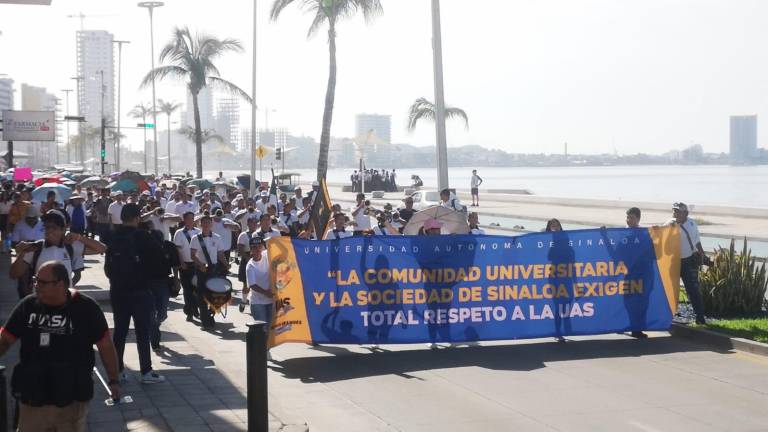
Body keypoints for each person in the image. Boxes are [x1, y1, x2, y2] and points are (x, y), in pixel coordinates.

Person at [0, 261, 120, 432]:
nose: (36, 286)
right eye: (35, 280)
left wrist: (113, 380)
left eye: (42, 282)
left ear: (61, 284)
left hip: (70, 400)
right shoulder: (28, 306)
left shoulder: (86, 308)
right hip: (34, 400)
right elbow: (5, 340)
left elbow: (105, 346)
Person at [106, 203, 166, 383]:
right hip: (140, 290)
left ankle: (118, 371)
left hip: (118, 290)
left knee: (120, 332)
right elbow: (159, 257)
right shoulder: (142, 235)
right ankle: (146, 372)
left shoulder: (113, 235)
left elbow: (108, 267)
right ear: (137, 218)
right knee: (142, 332)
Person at [10, 209, 105, 297]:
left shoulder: (71, 246)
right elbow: (14, 274)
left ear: (63, 229)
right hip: (41, 301)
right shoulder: (36, 248)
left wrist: (79, 237)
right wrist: (21, 254)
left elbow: (102, 248)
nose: (49, 230)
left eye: (54, 227)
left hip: (66, 302)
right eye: (47, 227)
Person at [665, 202, 707, 325]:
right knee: (672, 290)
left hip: (688, 261)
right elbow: (659, 237)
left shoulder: (692, 224)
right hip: (673, 262)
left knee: (693, 290)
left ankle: (700, 317)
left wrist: (702, 254)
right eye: (674, 211)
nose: (675, 213)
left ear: (686, 213)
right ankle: (670, 315)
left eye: (678, 211)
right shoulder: (668, 224)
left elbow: (697, 241)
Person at [190, 214, 230, 329]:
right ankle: (205, 321)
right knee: (202, 296)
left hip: (213, 269)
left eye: (208, 222)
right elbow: (192, 255)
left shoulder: (217, 237)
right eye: (204, 223)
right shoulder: (195, 238)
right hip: (201, 269)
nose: (206, 225)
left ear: (211, 224)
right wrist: (200, 264)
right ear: (200, 224)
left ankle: (209, 315)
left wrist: (226, 264)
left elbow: (220, 254)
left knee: (215, 295)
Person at [246, 236, 274, 360]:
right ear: (251, 250)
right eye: (254, 248)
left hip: (270, 300)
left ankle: (266, 349)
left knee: (269, 328)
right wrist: (265, 292)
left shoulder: (267, 255)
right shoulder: (250, 266)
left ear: (262, 247)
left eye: (259, 247)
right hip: (258, 302)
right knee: (262, 329)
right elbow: (252, 285)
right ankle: (260, 352)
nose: (257, 249)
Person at [173, 212, 201, 322]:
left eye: (192, 218)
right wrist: (181, 263)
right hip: (185, 265)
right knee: (187, 289)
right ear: (184, 220)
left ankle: (195, 308)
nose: (190, 220)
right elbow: (177, 250)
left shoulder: (198, 232)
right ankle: (189, 312)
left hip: (197, 264)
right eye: (188, 219)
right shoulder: (179, 233)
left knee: (197, 289)